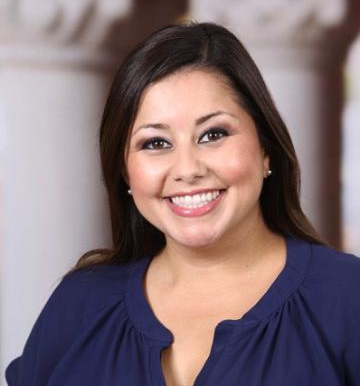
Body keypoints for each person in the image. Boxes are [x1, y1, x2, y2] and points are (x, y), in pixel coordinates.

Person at [5, 22, 360, 386]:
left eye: (213, 134)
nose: (187, 170)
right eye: (155, 143)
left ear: (265, 149)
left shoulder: (348, 297)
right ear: (125, 172)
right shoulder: (80, 305)